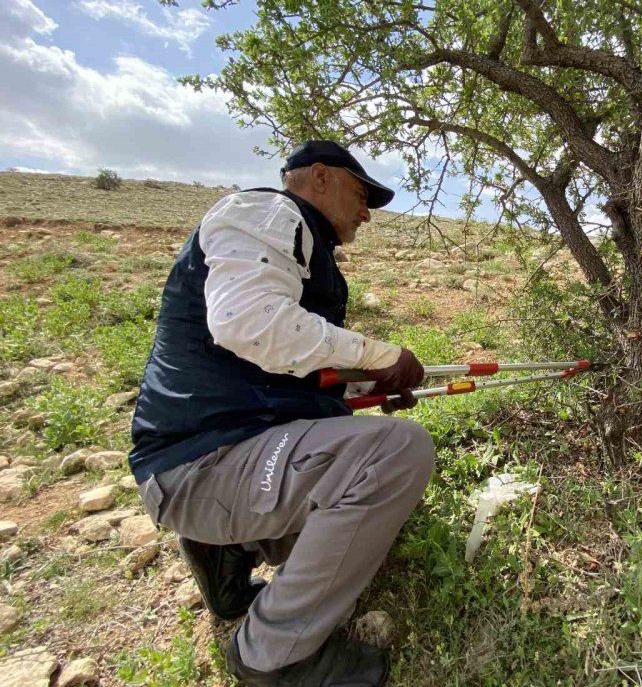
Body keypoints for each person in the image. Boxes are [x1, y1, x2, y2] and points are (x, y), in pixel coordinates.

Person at [129, 140, 433, 687]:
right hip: (204, 462)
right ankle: (272, 657)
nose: (366, 213)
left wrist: (366, 383)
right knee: (398, 451)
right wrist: (383, 356)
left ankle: (224, 551)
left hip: (217, 457)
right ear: (319, 176)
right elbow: (250, 325)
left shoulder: (295, 241)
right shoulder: (266, 211)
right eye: (362, 194)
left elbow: (282, 365)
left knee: (365, 536)